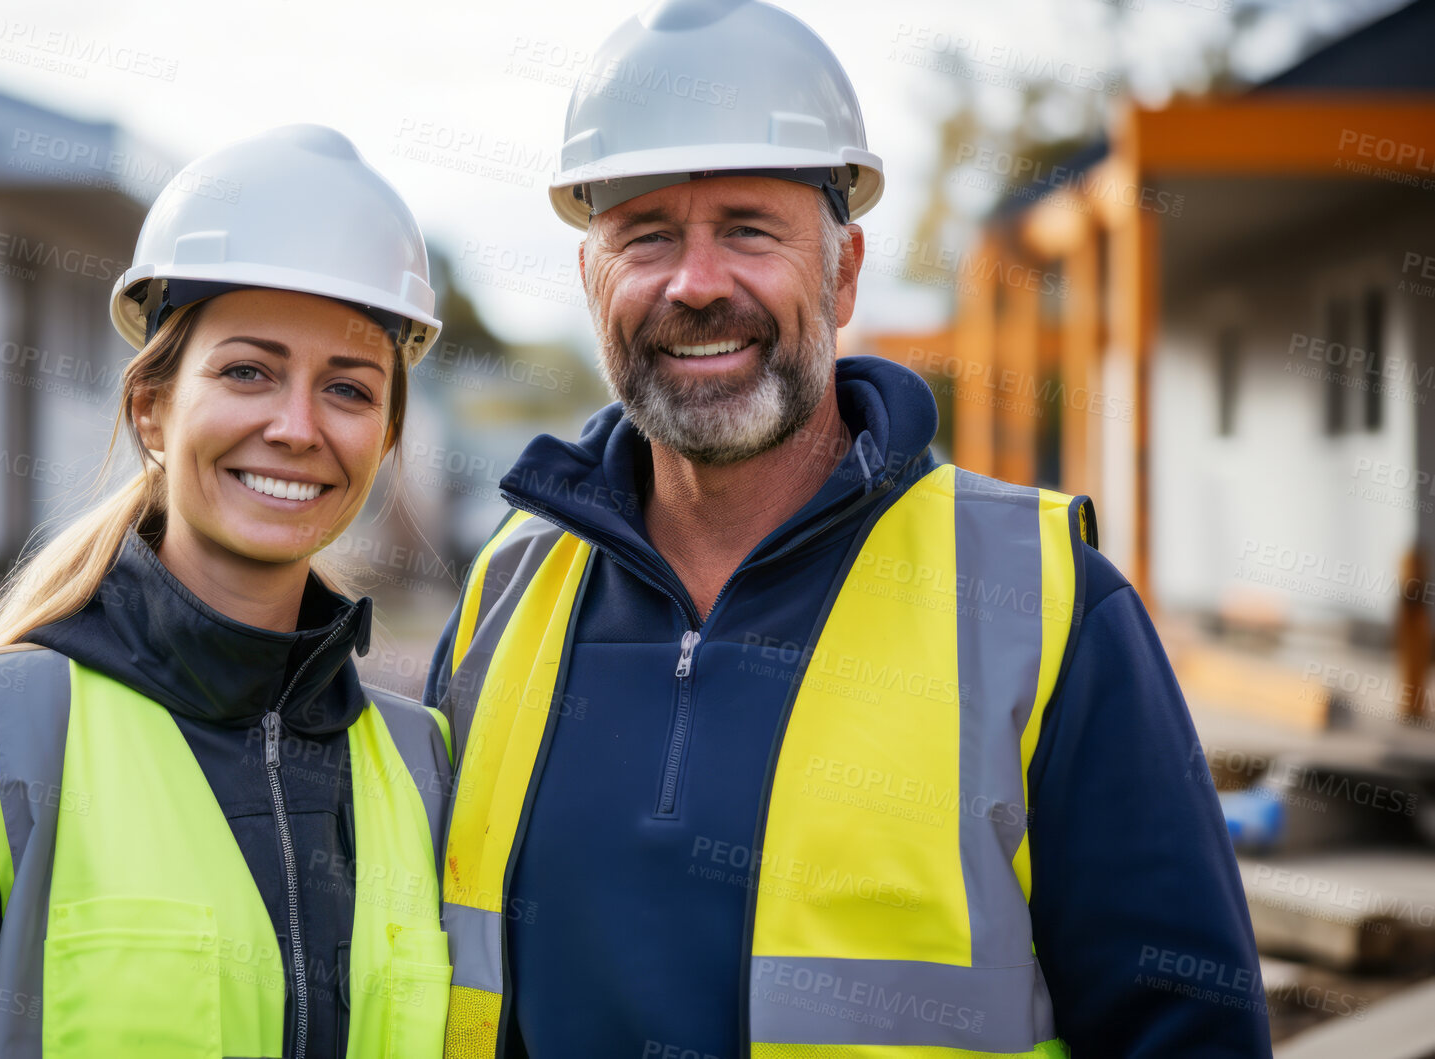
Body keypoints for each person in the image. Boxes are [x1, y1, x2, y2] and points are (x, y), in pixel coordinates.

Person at [427, 2, 1270, 1056]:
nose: (696, 284)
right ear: (588, 277)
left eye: (747, 228)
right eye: (644, 236)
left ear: (844, 270)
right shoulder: (504, 598)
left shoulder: (1045, 602)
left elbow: (1185, 1036)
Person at [0, 124, 454, 1059]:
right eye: (248, 370)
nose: (295, 425)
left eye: (350, 389)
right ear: (151, 405)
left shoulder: (422, 765)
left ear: (386, 437)